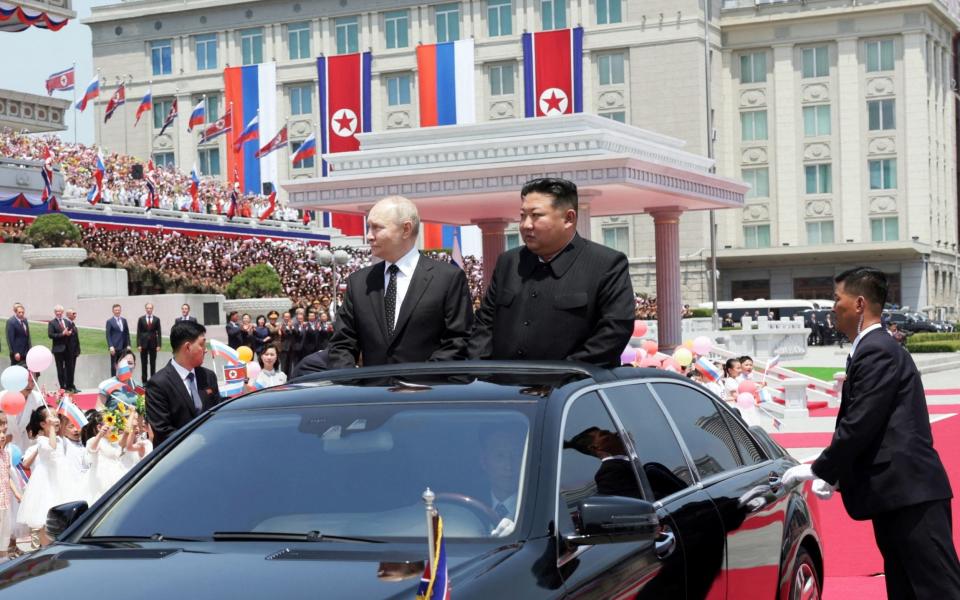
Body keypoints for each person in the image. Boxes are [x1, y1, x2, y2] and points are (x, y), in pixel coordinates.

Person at [782, 267, 960, 600]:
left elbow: (861, 422)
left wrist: (820, 468)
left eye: (838, 299)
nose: (833, 308)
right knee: (906, 587)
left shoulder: (877, 349)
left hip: (911, 494)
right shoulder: (873, 348)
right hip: (897, 495)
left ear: (860, 303)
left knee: (937, 589)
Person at [469, 178, 635, 367]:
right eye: (523, 215)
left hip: (572, 390)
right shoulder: (509, 262)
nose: (525, 225)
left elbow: (614, 332)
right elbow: (484, 325)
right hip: (504, 388)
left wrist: (561, 376)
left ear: (568, 218)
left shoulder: (606, 264)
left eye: (536, 215)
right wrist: (480, 371)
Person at [327, 196, 473, 368]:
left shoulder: (448, 279)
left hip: (429, 390)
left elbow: (458, 341)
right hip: (371, 392)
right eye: (368, 227)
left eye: (377, 228)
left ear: (406, 229)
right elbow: (341, 344)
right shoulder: (359, 283)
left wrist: (419, 382)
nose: (369, 236)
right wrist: (353, 384)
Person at [145, 320, 223, 446]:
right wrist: (197, 443)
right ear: (188, 347)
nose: (205, 350)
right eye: (202, 345)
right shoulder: (158, 384)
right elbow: (163, 431)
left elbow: (217, 414)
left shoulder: (208, 377)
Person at [16, 406, 63, 548]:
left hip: (59, 478)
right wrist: (53, 429)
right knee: (43, 516)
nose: (56, 419)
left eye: (57, 416)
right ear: (43, 424)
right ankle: (45, 549)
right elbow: (52, 447)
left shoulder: (61, 439)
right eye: (52, 416)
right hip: (45, 481)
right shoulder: (42, 440)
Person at [563, 427, 642, 499]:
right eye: (604, 434)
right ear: (595, 447)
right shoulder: (610, 474)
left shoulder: (630, 462)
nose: (615, 433)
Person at [47, 304, 76, 392]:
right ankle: (62, 387)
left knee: (69, 368)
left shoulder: (67, 322)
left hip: (68, 349)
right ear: (55, 313)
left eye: (60, 311)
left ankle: (69, 386)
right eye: (56, 311)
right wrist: (62, 334)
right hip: (58, 349)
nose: (58, 313)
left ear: (62, 312)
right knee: (60, 369)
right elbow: (50, 335)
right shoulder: (52, 323)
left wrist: (70, 333)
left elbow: (72, 331)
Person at [136, 302, 162, 382]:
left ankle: (153, 381)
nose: (149, 310)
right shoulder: (141, 319)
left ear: (152, 309)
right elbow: (139, 332)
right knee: (144, 364)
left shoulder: (157, 319)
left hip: (153, 344)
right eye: (147, 308)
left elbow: (159, 333)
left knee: (153, 363)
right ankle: (144, 381)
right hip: (143, 344)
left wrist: (159, 345)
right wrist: (139, 345)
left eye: (150, 308)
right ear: (145, 309)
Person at [105, 304, 130, 376]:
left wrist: (128, 344)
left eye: (119, 310)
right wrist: (110, 346)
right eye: (116, 310)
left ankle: (123, 380)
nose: (117, 311)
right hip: (114, 348)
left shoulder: (124, 320)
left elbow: (127, 333)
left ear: (120, 310)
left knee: (123, 365)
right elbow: (108, 335)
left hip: (124, 347)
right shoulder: (109, 321)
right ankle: (113, 381)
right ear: (113, 311)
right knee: (114, 366)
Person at [65, 308, 81, 391]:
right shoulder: (66, 323)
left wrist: (78, 349)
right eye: (73, 313)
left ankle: (71, 385)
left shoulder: (73, 324)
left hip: (74, 351)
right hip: (68, 351)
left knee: (72, 368)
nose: (75, 315)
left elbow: (76, 339)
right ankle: (68, 386)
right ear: (68, 315)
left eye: (75, 313)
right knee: (68, 369)